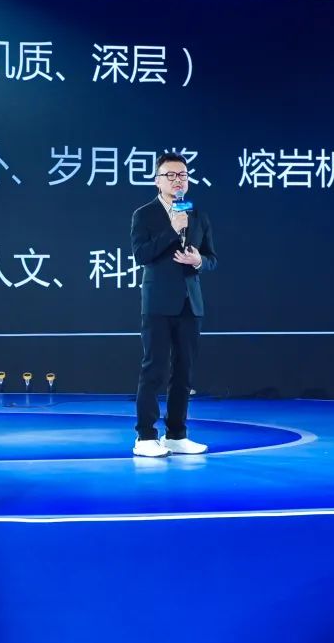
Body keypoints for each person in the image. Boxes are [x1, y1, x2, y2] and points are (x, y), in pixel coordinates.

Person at [129, 152, 218, 457]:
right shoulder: (144, 214)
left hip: (190, 303)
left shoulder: (198, 215)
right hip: (158, 303)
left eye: (182, 175)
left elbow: (212, 258)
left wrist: (199, 261)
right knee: (153, 369)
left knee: (184, 373)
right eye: (170, 175)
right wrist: (171, 228)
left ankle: (177, 434)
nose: (177, 180)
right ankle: (145, 437)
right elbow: (141, 255)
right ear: (158, 181)